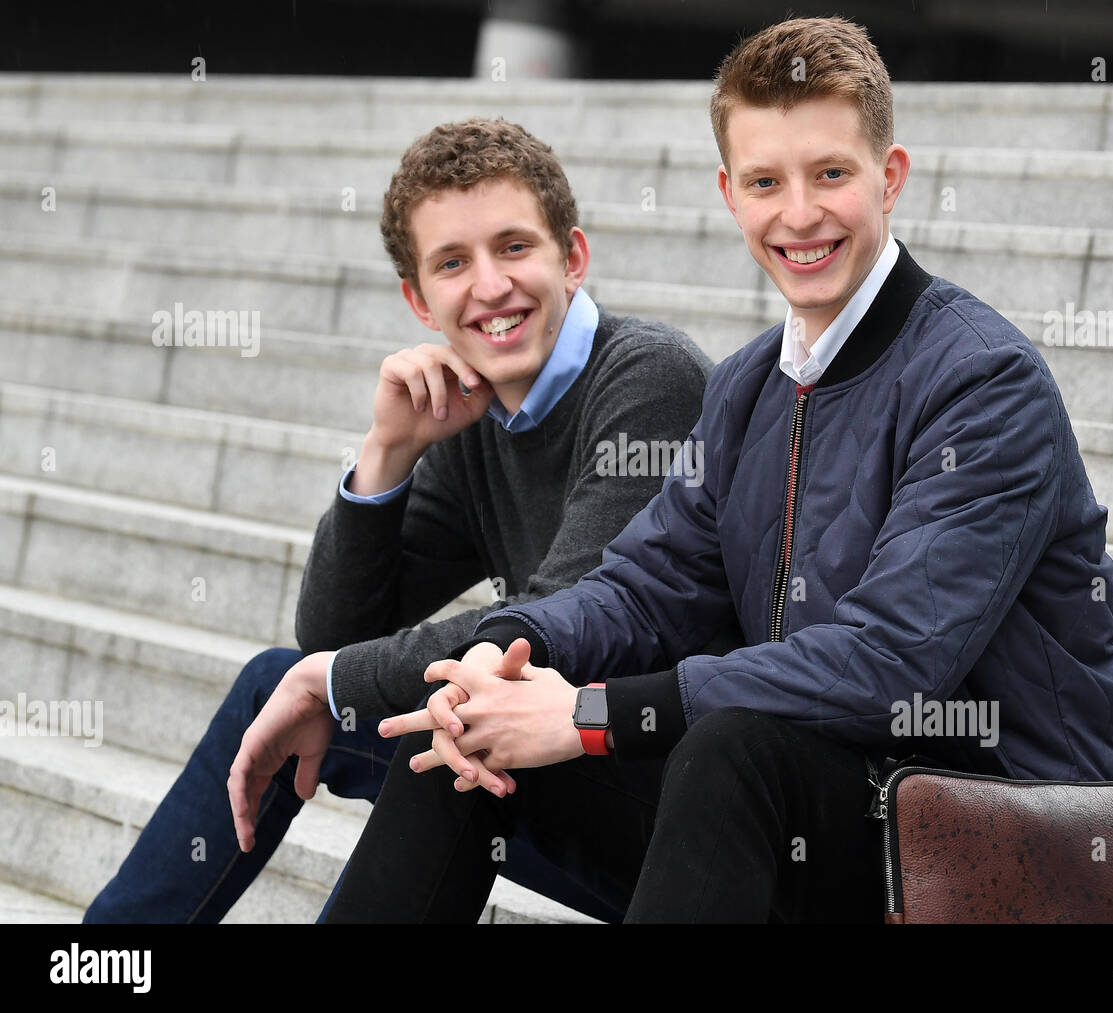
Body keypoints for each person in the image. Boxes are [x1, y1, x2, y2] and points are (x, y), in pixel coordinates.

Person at [322, 15, 1113, 925]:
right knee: (469, 735)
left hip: (1018, 838)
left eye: (831, 173)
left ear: (892, 177)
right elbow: (644, 590)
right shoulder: (752, 383)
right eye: (765, 182)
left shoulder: (984, 381)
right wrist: (511, 652)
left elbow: (888, 664)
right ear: (729, 193)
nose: (798, 214)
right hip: (833, 812)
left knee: (731, 746)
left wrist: (591, 713)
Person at [82, 117, 714, 923]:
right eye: (453, 263)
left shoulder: (649, 380)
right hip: (557, 762)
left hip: (688, 808)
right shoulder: (477, 417)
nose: (489, 286)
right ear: (419, 299)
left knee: (454, 721)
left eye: (514, 247)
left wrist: (333, 678)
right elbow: (334, 635)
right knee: (280, 683)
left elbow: (560, 625)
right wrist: (388, 451)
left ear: (573, 259)